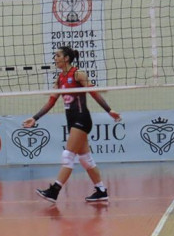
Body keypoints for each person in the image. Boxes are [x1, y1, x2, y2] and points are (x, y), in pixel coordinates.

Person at [23, 46, 121, 203]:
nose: (55, 58)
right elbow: (51, 101)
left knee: (67, 156)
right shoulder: (59, 79)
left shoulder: (78, 74)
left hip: (82, 118)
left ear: (66, 58)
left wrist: (109, 110)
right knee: (85, 159)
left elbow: (94, 93)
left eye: (58, 55)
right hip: (71, 121)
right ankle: (101, 190)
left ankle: (54, 191)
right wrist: (35, 118)